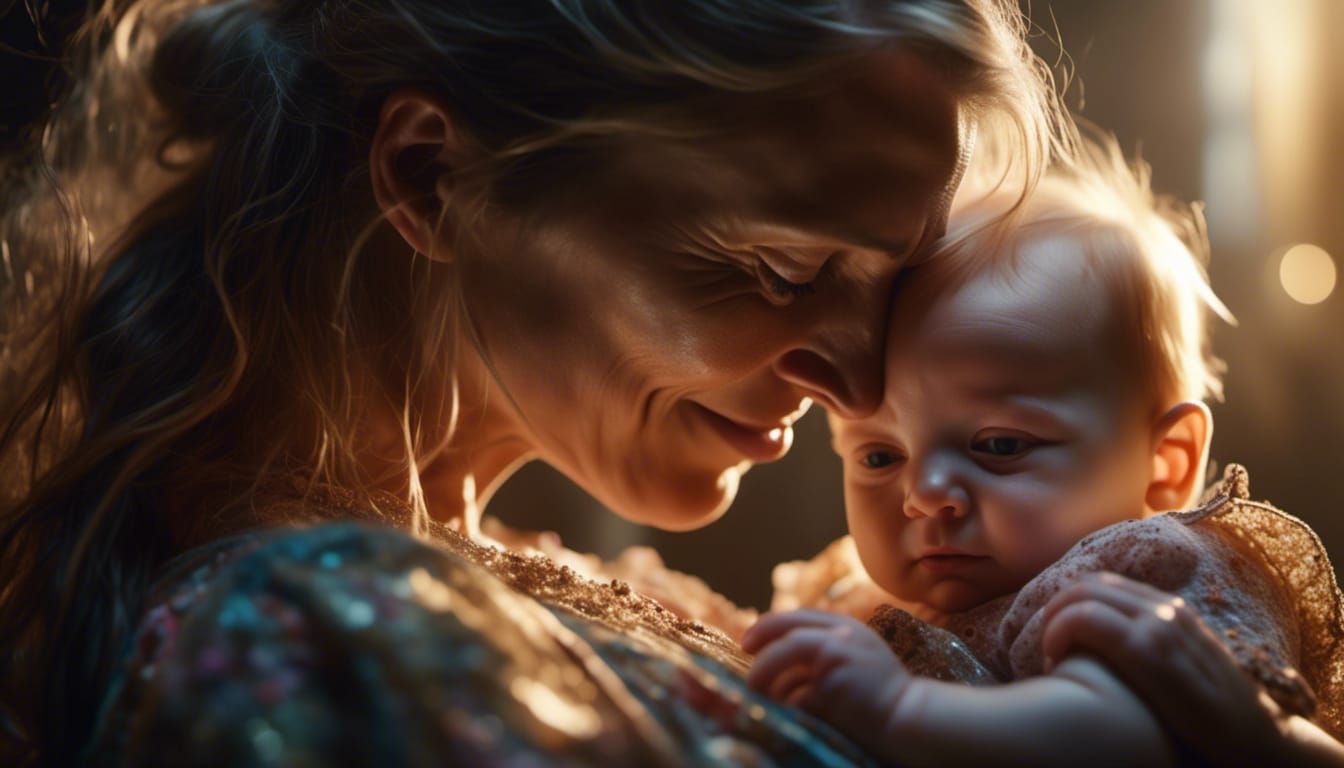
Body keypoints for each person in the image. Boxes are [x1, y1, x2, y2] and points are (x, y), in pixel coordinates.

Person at [0, 0, 1292, 765]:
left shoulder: (637, 602)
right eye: (781, 268)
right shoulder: (302, 640)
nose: (857, 383)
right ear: (430, 179)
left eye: (885, 284)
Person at [743, 137, 1344, 766]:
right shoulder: (866, 594)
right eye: (878, 457)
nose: (923, 496)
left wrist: (899, 709)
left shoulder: (1142, 581)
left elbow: (1119, 736)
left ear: (1165, 462)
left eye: (999, 445)